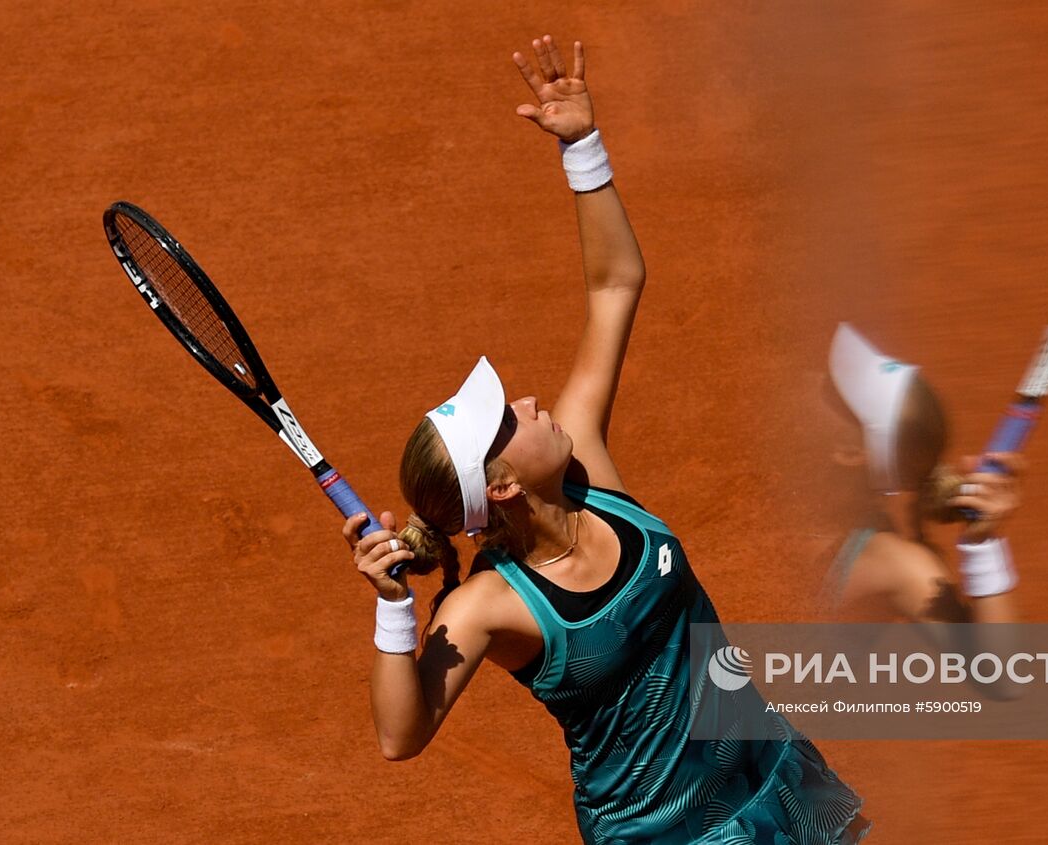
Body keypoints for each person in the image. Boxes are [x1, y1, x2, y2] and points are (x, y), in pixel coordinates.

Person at [342, 34, 870, 844]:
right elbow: (398, 736)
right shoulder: (491, 604)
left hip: (774, 783)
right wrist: (393, 614)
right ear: (506, 485)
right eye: (507, 420)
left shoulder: (586, 458)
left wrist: (583, 147)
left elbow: (616, 283)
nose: (528, 399)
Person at [823, 323, 1025, 625]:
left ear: (848, 451)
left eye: (831, 392)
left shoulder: (892, 563)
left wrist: (984, 547)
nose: (812, 382)